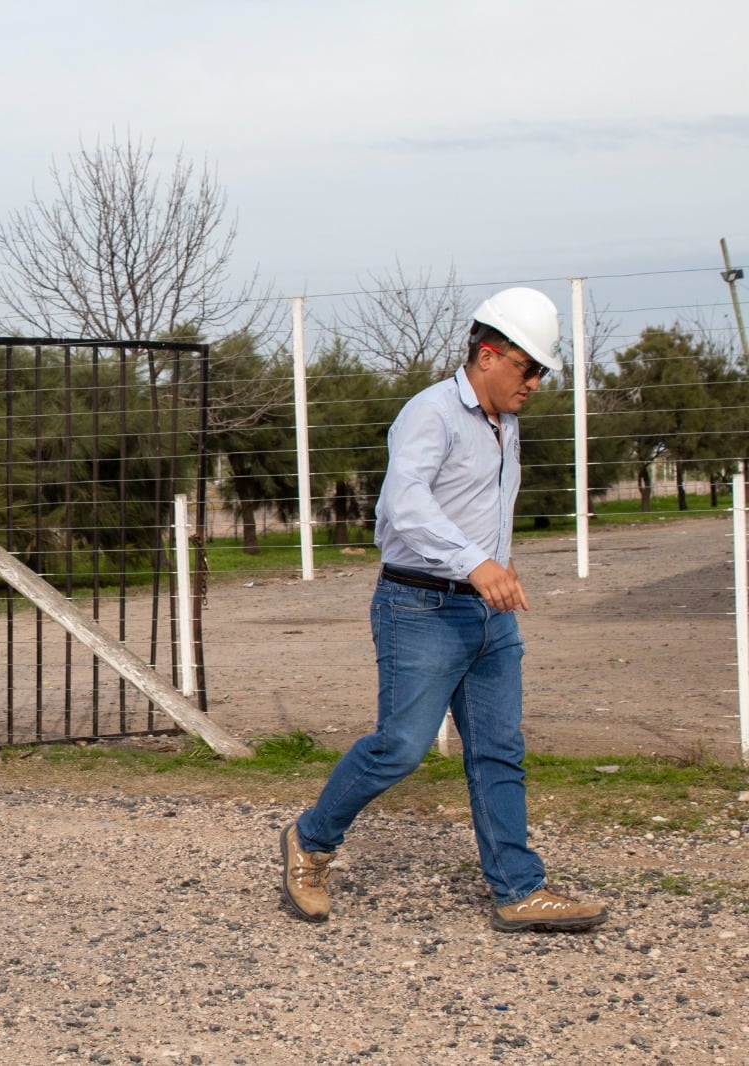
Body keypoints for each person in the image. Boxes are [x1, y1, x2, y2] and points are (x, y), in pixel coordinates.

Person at [281, 287, 609, 934]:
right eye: (528, 367)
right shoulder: (429, 414)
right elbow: (406, 506)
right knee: (400, 749)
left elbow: (483, 504)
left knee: (498, 748)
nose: (536, 383)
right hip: (419, 607)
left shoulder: (504, 424)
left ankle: (519, 888)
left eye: (541, 371)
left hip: (489, 614)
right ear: (488, 355)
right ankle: (310, 841)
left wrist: (499, 559)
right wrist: (474, 562)